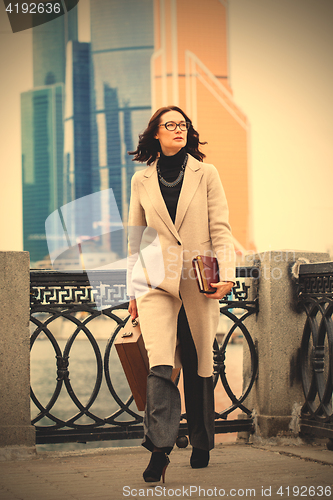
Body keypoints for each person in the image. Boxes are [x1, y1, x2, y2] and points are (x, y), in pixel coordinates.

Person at [127, 106, 235, 483]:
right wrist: (133, 291)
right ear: (155, 133)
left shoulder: (206, 174)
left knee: (197, 361)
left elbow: (220, 227)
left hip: (197, 278)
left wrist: (228, 274)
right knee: (160, 364)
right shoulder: (140, 180)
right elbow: (136, 238)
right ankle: (159, 450)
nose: (177, 129)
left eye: (183, 125)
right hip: (156, 280)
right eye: (169, 124)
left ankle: (203, 439)